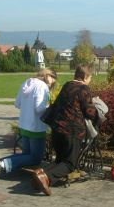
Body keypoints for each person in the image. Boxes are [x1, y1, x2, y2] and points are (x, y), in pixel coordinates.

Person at [31, 64, 99, 196]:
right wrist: (99, 117)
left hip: (57, 129)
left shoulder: (67, 85)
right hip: (72, 131)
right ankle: (45, 177)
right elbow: (90, 112)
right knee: (69, 164)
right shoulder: (83, 88)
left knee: (60, 160)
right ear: (85, 76)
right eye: (90, 77)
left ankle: (40, 173)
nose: (90, 80)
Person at [0, 68, 57, 183]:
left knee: (26, 155)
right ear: (48, 75)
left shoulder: (26, 83)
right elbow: (39, 108)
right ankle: (2, 164)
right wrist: (51, 108)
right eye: (53, 78)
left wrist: (27, 106)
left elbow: (17, 104)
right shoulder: (42, 86)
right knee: (35, 158)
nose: (53, 82)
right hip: (36, 128)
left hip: (24, 125)